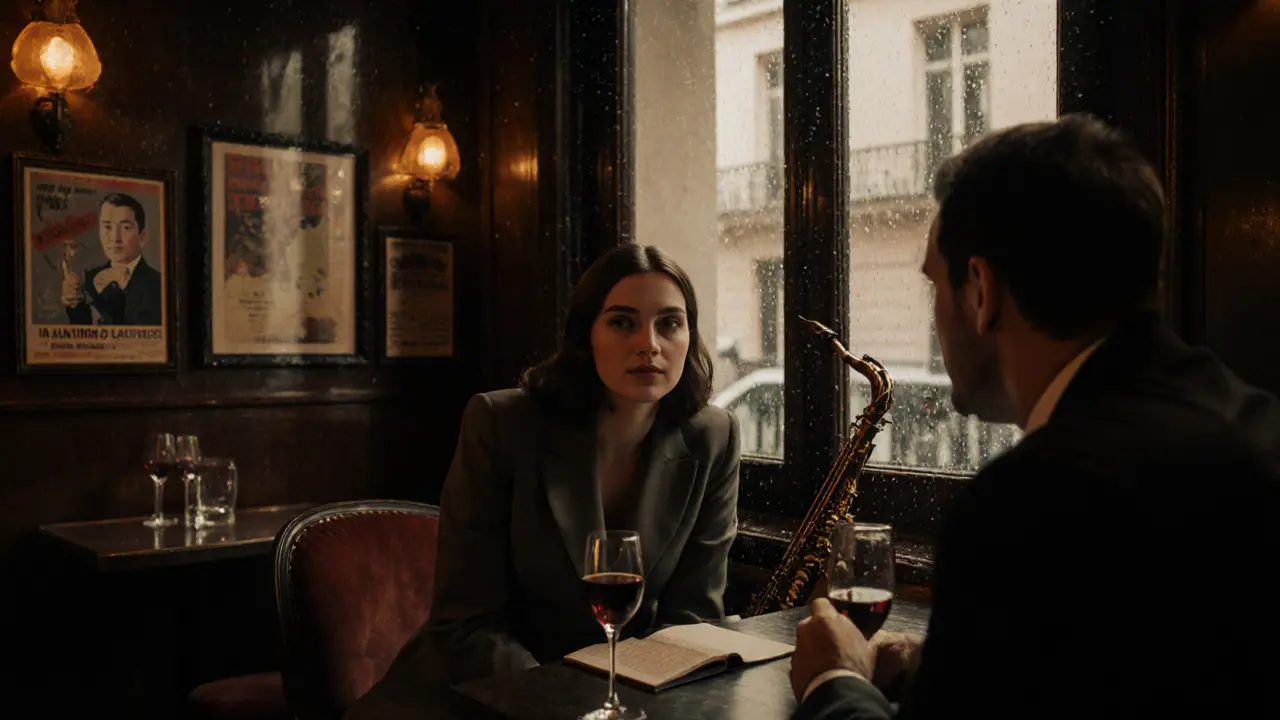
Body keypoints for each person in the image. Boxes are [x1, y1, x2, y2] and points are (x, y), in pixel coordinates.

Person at [790, 114, 1280, 719]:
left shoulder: (1027, 503)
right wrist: (940, 663)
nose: (937, 313)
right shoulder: (1255, 422)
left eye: (933, 286)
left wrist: (833, 681)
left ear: (981, 291)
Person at [349, 244, 740, 713]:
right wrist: (568, 704)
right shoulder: (500, 424)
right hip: (471, 695)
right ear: (584, 335)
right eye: (622, 322)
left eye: (669, 323)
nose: (649, 344)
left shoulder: (713, 437)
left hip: (618, 701)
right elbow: (466, 625)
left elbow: (691, 621)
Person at [62, 193, 163, 326]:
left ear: (143, 236)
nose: (115, 238)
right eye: (107, 227)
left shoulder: (160, 285)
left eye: (125, 228)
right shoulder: (87, 282)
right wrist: (74, 305)